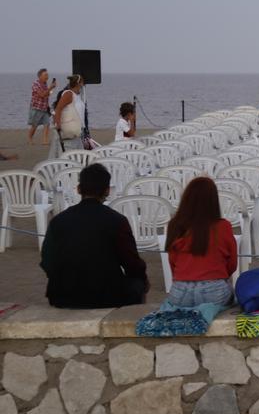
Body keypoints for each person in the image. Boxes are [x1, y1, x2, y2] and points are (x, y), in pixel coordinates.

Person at [41, 163, 148, 308]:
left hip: (62, 296)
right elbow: (132, 264)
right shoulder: (117, 221)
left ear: (79, 189)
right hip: (106, 296)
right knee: (138, 282)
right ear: (107, 191)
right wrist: (143, 280)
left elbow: (47, 261)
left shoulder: (58, 221)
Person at [164, 177, 238, 307]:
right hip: (214, 291)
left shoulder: (174, 224)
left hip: (179, 291)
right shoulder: (223, 226)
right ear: (213, 201)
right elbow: (232, 265)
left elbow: (173, 263)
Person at [51, 74, 86, 157]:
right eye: (83, 83)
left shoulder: (77, 96)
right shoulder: (68, 94)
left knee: (80, 157)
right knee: (68, 157)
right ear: (79, 83)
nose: (83, 85)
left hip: (78, 133)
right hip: (69, 132)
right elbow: (58, 109)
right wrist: (58, 124)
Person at [28, 68, 56, 146]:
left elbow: (47, 95)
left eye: (47, 75)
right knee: (35, 125)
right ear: (40, 76)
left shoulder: (45, 84)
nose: (47, 76)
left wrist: (51, 89)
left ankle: (45, 140)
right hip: (37, 107)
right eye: (45, 75)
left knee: (47, 124)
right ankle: (30, 138)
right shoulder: (35, 84)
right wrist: (50, 88)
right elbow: (42, 95)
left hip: (45, 107)